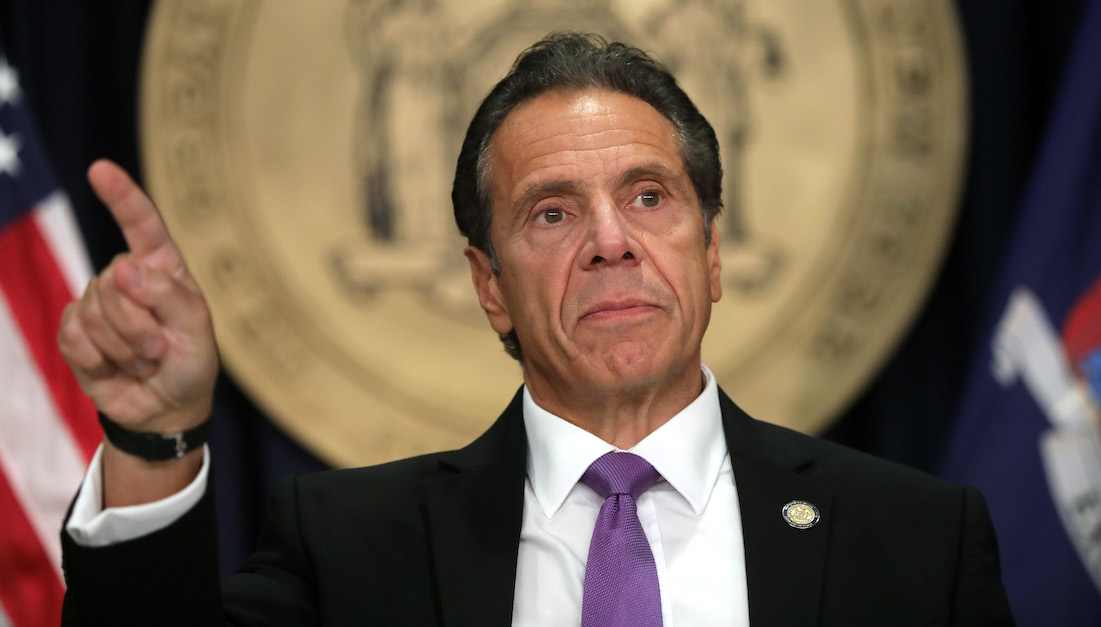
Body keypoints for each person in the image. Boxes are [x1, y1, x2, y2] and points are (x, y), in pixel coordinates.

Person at [57, 32, 1014, 625]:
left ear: (711, 254)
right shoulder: (352, 549)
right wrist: (154, 434)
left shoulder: (914, 540)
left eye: (649, 197)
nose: (612, 241)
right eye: (552, 213)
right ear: (490, 287)